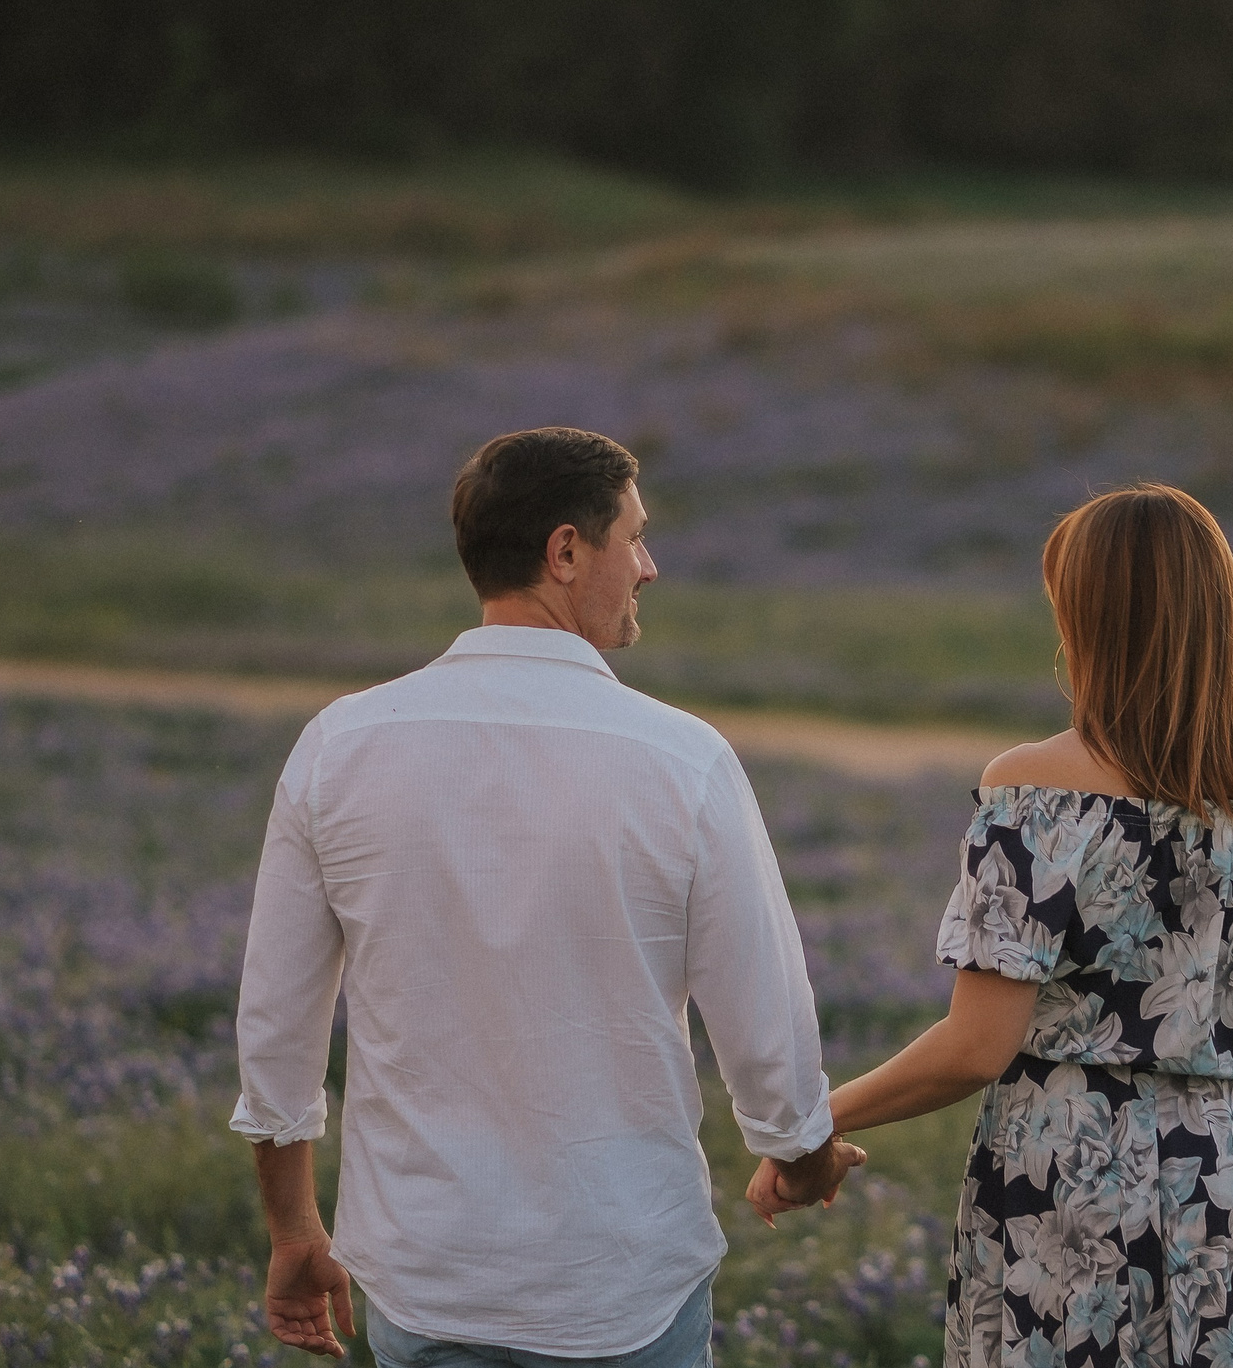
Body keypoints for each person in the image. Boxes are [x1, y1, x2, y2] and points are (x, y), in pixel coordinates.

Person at [230, 426, 864, 1366]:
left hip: (426, 1274)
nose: (649, 566)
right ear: (565, 552)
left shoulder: (341, 746)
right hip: (621, 1279)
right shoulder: (681, 759)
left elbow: (277, 1032)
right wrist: (804, 1156)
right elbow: (766, 1025)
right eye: (634, 538)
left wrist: (293, 1232)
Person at [768, 484, 1233, 1368]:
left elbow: (977, 1045)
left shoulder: (1037, 788)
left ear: (1093, 621)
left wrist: (812, 1124)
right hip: (1228, 1187)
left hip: (1065, 1184)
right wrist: (1198, 1112)